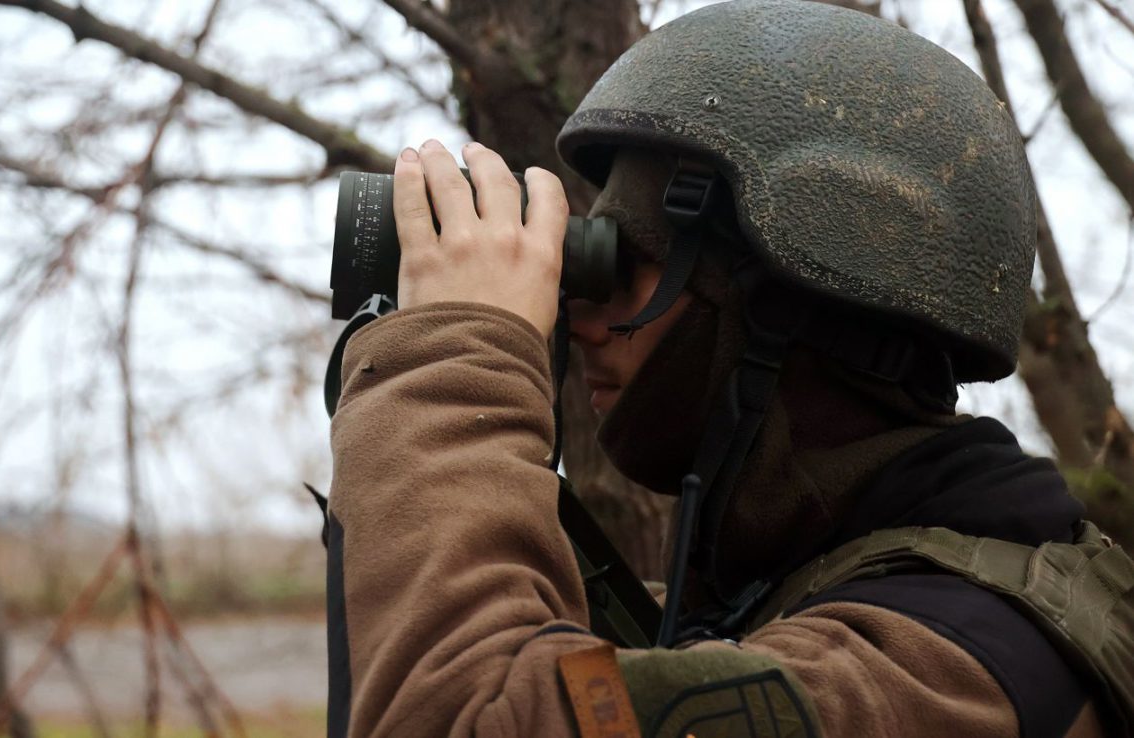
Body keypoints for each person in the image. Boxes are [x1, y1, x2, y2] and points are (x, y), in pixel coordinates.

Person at [325, 1, 1134, 736]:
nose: (578, 316)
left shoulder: (942, 671)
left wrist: (459, 348)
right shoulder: (855, 590)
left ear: (788, 302)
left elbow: (473, 714)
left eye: (626, 264)